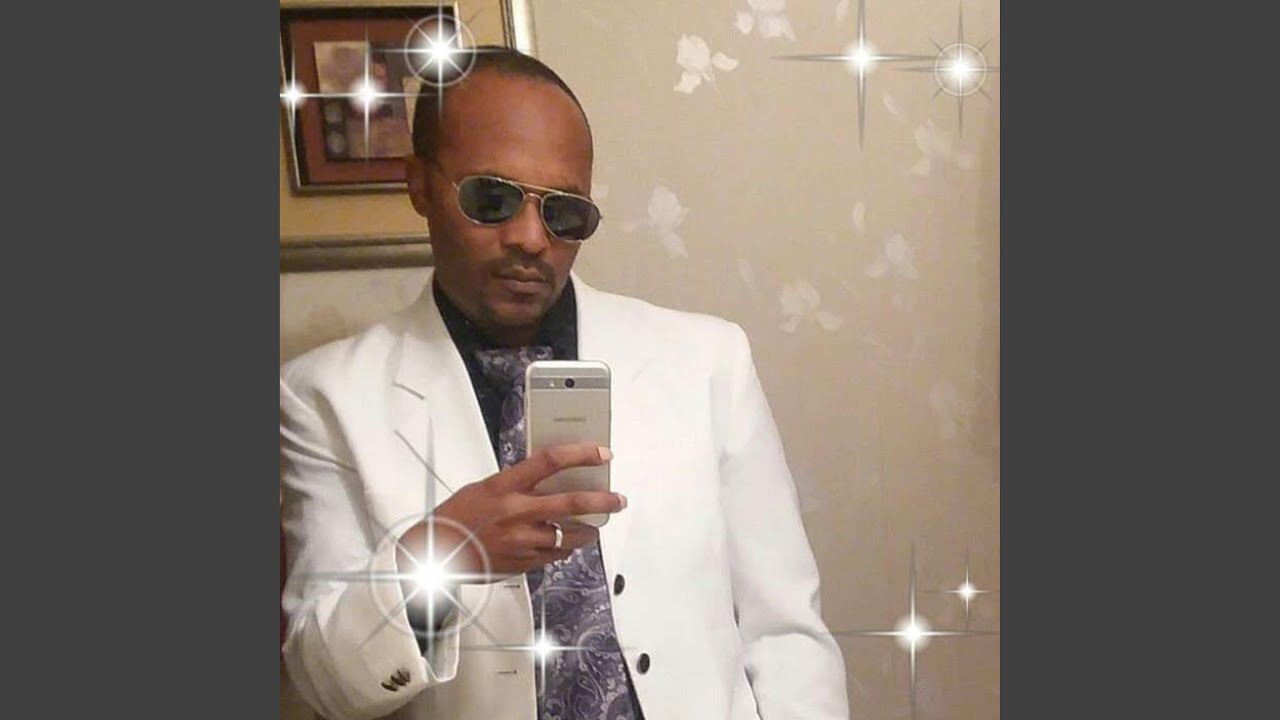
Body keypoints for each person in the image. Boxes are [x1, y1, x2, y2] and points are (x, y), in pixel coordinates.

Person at [280, 46, 849, 720]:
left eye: (564, 212)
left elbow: (786, 632)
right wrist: (444, 555)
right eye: (491, 198)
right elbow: (324, 682)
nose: (530, 238)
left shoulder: (706, 361)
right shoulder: (324, 397)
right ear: (420, 186)